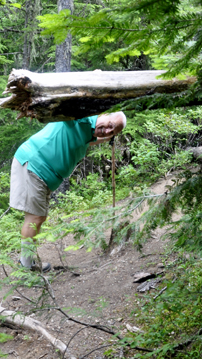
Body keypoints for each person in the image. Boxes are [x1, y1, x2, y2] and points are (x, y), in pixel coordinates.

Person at [9, 112, 127, 271]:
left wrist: (107, 138)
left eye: (112, 132)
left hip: (43, 173)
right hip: (34, 164)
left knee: (39, 217)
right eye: (110, 126)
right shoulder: (79, 118)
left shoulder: (89, 131)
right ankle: (25, 267)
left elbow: (89, 140)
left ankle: (27, 262)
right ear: (105, 114)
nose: (107, 131)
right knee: (34, 217)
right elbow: (71, 114)